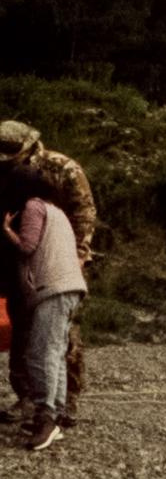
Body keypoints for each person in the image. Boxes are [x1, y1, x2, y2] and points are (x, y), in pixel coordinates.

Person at [0, 123, 96, 421]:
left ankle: (64, 401)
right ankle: (28, 396)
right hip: (19, 256)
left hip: (58, 257)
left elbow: (84, 212)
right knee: (21, 326)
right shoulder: (6, 171)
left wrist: (79, 255)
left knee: (59, 333)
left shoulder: (61, 167)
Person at [3, 187, 87, 453]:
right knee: (56, 352)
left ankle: (46, 417)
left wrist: (6, 229)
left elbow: (27, 246)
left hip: (53, 289)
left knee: (42, 353)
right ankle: (57, 415)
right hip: (70, 287)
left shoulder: (33, 207)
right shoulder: (57, 211)